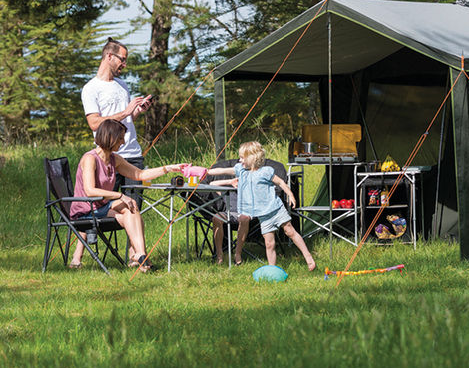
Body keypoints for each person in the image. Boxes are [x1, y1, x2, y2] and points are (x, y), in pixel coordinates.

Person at [68, 119, 188, 271]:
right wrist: (120, 195)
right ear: (110, 137)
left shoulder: (114, 159)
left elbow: (140, 174)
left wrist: (168, 168)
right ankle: (141, 257)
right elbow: (90, 191)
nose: (123, 142)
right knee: (128, 206)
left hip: (101, 206)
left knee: (131, 207)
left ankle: (139, 255)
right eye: (120, 138)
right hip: (85, 210)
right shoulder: (90, 159)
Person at [207, 141, 316, 270]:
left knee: (290, 231)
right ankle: (272, 269)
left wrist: (290, 195)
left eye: (242, 157)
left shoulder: (266, 171)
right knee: (270, 244)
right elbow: (222, 170)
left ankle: (308, 258)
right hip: (263, 215)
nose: (240, 160)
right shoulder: (240, 170)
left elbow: (280, 182)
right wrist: (207, 172)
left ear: (252, 158)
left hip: (275, 209)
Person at [81, 37, 152, 206]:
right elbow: (94, 123)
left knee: (134, 208)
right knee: (102, 208)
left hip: (133, 156)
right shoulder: (91, 88)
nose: (124, 64)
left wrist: (135, 112)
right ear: (109, 56)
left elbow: (126, 121)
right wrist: (125, 112)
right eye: (123, 59)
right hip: (108, 157)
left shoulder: (122, 85)